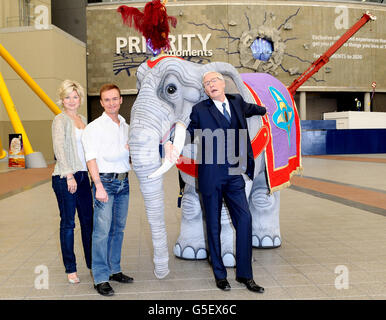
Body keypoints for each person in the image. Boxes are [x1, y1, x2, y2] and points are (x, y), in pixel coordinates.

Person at [166, 71, 266, 293]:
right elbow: (189, 133)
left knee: (245, 220)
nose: (210, 85)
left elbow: (254, 109)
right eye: (206, 83)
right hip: (211, 174)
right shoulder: (200, 110)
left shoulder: (237, 102)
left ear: (223, 84)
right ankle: (220, 275)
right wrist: (172, 142)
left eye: (213, 81)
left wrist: (266, 108)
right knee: (212, 224)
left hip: (235, 172)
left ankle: (245, 275)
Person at [82, 83, 133, 297]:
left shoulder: (125, 125)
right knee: (101, 233)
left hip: (124, 182)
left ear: (121, 100)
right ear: (101, 102)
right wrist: (99, 186)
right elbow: (90, 159)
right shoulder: (93, 128)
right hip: (105, 183)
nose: (112, 103)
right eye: (107, 100)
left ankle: (114, 269)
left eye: (115, 98)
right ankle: (101, 278)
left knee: (118, 230)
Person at [51, 80, 93, 284]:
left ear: (80, 99)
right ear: (62, 100)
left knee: (88, 221)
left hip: (84, 176)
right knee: (68, 223)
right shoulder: (59, 120)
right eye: (67, 97)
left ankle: (93, 264)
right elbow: (59, 149)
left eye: (75, 97)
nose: (71, 100)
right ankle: (71, 269)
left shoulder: (82, 118)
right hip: (65, 177)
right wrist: (69, 175)